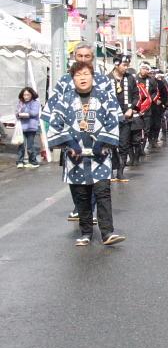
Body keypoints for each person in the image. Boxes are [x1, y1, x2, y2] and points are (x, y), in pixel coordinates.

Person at [45, 61, 125, 246]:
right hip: (75, 157)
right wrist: (70, 143)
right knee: (81, 196)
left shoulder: (105, 97)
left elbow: (114, 120)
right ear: (72, 78)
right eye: (78, 75)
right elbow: (55, 124)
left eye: (86, 74)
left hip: (100, 156)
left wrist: (103, 142)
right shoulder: (64, 99)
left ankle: (107, 233)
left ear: (92, 77)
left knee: (103, 193)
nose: (82, 78)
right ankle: (86, 232)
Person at [42, 41, 115, 221]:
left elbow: (113, 110)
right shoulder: (64, 80)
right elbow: (52, 108)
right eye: (80, 56)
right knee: (75, 176)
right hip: (71, 136)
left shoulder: (104, 80)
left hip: (97, 136)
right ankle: (81, 208)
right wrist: (55, 133)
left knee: (98, 177)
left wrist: (106, 136)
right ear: (74, 57)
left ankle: (90, 212)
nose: (83, 59)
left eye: (87, 56)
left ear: (93, 58)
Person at [108, 55, 139, 182]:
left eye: (127, 65)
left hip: (126, 117)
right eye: (124, 65)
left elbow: (136, 95)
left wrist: (131, 108)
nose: (126, 68)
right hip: (109, 118)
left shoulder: (130, 78)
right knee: (109, 144)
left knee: (124, 144)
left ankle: (120, 171)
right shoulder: (106, 78)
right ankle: (109, 171)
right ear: (116, 64)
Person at [135, 64, 159, 155]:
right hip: (136, 108)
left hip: (147, 108)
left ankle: (142, 148)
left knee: (146, 129)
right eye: (143, 68)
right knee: (136, 129)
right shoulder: (134, 79)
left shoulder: (151, 80)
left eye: (146, 69)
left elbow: (156, 92)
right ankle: (135, 150)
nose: (144, 70)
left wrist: (151, 99)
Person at [15, 87, 41, 168]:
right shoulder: (20, 102)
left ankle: (33, 162)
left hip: (31, 127)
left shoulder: (35, 103)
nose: (26, 96)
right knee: (21, 145)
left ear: (31, 95)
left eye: (28, 94)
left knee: (30, 146)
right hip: (22, 127)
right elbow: (16, 113)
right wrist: (18, 114)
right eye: (24, 95)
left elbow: (34, 113)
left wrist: (25, 112)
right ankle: (20, 162)